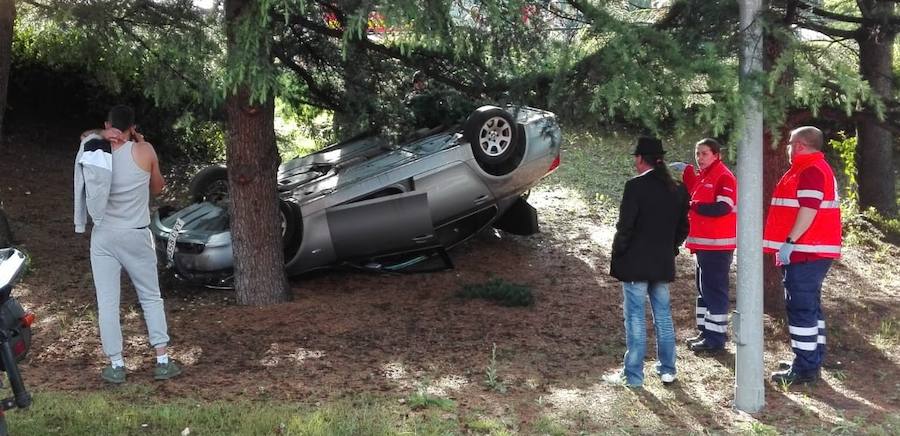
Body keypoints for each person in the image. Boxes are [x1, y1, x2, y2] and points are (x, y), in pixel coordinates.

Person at [74, 105, 181, 384]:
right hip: (136, 233)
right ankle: (162, 359)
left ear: (108, 125)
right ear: (133, 127)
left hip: (104, 235)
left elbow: (85, 136)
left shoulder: (96, 150)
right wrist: (142, 144)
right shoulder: (144, 151)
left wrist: (100, 132)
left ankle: (117, 365)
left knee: (107, 302)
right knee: (150, 297)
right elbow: (158, 187)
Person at [605, 137, 690, 388]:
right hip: (662, 261)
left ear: (641, 159)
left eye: (636, 157)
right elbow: (683, 227)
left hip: (635, 262)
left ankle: (633, 375)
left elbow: (625, 227)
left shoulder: (635, 187)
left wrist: (618, 252)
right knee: (663, 316)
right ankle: (667, 369)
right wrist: (670, 247)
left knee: (635, 318)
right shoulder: (678, 188)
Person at [763, 126, 841, 385]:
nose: (786, 148)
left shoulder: (810, 170)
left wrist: (789, 242)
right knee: (810, 308)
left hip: (806, 251)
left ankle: (805, 368)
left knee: (801, 309)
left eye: (788, 143)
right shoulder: (811, 168)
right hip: (810, 251)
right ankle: (810, 360)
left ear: (799, 146)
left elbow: (809, 209)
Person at [675, 138, 738, 354]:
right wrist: (687, 173)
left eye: (704, 154)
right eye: (697, 153)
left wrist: (693, 205)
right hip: (704, 244)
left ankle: (716, 339)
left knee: (714, 291)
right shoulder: (706, 176)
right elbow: (696, 191)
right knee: (703, 291)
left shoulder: (724, 176)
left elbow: (722, 207)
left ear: (716, 155)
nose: (699, 158)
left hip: (717, 245)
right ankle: (706, 332)